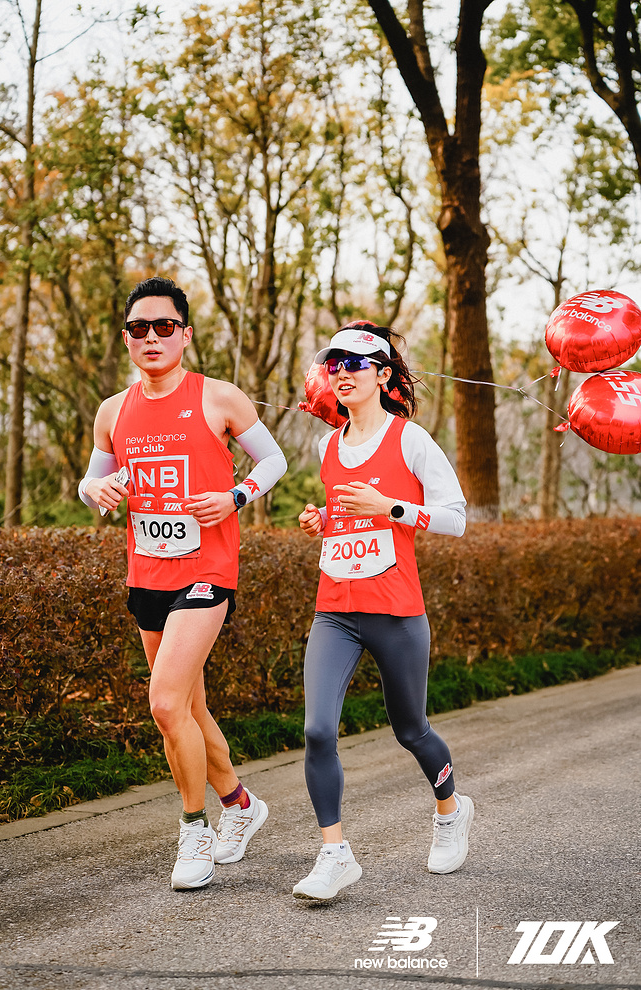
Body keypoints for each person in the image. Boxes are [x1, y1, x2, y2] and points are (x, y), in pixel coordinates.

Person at [78, 276, 287, 890]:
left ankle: (194, 829)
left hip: (206, 571)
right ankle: (242, 807)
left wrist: (237, 495)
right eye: (139, 329)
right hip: (146, 574)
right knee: (188, 709)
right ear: (126, 339)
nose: (151, 338)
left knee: (165, 703)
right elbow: (91, 484)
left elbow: (272, 459)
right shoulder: (112, 412)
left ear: (185, 335)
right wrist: (98, 489)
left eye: (164, 326)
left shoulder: (219, 398)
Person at [294, 321, 473, 901]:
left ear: (383, 375)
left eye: (355, 364)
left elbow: (456, 517)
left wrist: (390, 506)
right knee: (318, 729)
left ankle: (450, 809)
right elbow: (344, 514)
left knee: (411, 729)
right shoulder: (327, 446)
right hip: (336, 611)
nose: (342, 372)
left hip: (396, 611)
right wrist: (323, 521)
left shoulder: (411, 441)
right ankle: (334, 854)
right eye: (335, 364)